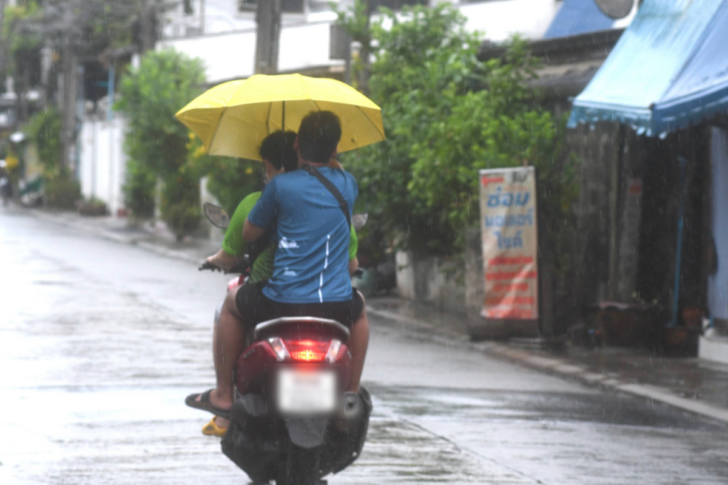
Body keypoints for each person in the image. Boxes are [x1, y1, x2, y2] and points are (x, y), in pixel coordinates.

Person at [187, 111, 369, 429]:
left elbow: (248, 234)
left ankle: (223, 395)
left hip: (283, 300)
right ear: (335, 149)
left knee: (229, 306)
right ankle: (350, 394)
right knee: (361, 310)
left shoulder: (280, 186)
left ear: (298, 143)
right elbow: (335, 178)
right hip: (335, 305)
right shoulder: (348, 185)